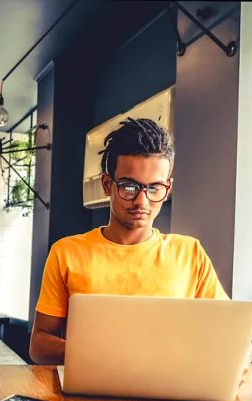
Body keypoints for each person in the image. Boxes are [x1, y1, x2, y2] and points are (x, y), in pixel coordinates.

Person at [30, 118, 228, 365]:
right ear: (106, 184)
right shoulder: (67, 252)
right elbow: (39, 345)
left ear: (167, 188)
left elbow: (230, 337)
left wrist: (238, 359)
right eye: (129, 187)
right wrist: (108, 356)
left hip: (168, 393)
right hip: (89, 394)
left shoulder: (190, 253)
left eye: (154, 188)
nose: (142, 202)